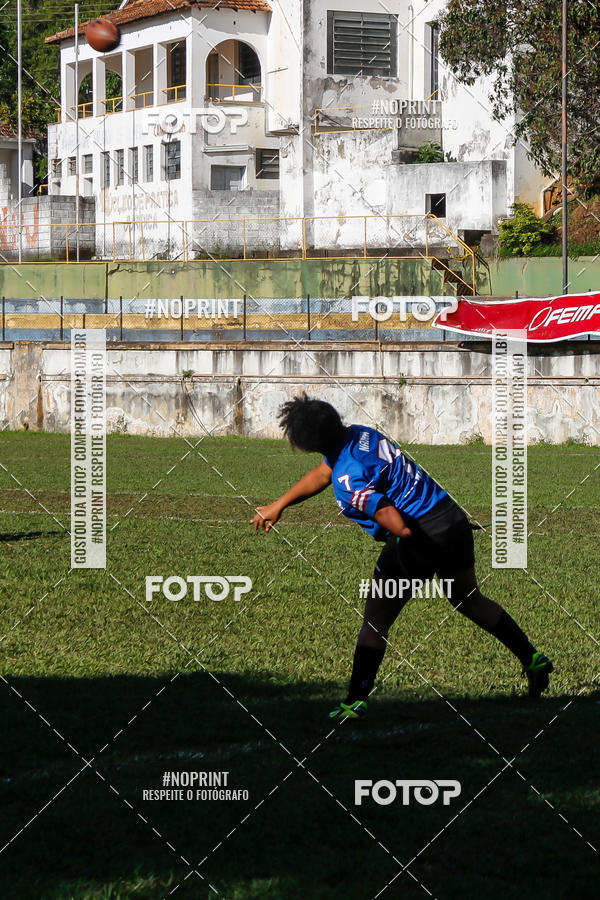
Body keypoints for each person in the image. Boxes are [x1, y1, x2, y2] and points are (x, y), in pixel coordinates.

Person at [251, 395, 553, 720]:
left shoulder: (347, 479)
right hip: (451, 519)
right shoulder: (359, 434)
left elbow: (385, 512)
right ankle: (531, 657)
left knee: (375, 620)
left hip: (417, 537)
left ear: (305, 443)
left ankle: (355, 702)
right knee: (467, 598)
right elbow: (324, 473)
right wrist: (279, 504)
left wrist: (405, 536)